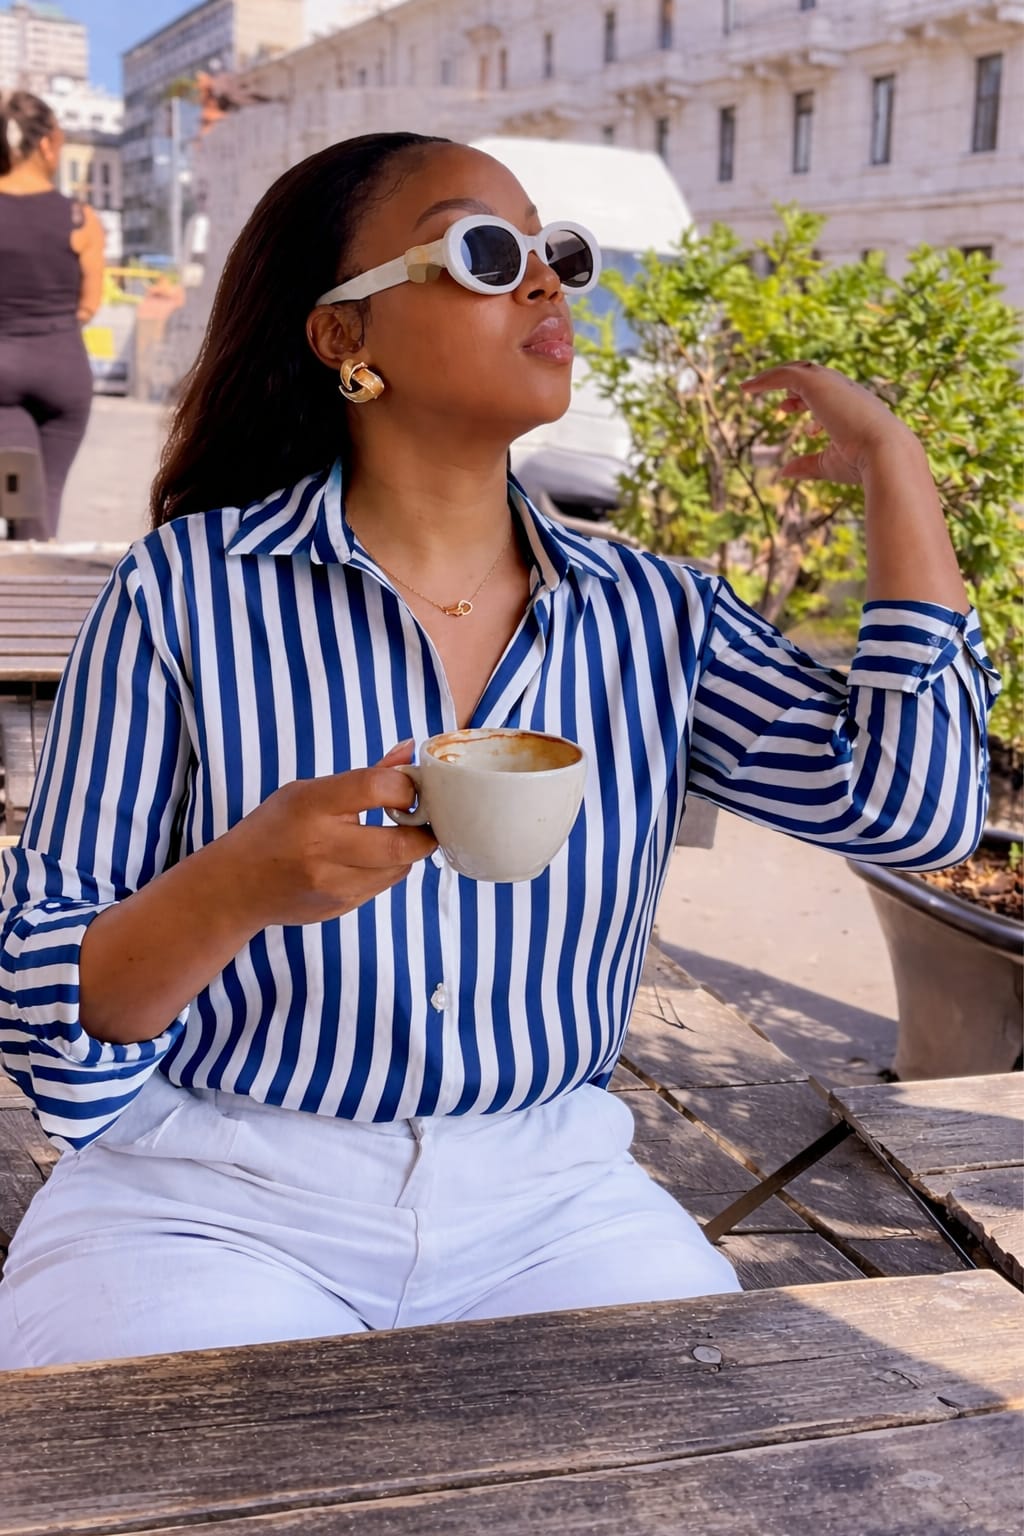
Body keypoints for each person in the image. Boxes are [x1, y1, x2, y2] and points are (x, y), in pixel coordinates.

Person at [0, 133, 999, 1368]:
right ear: (341, 337)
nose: (545, 283)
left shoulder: (657, 615)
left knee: (713, 1456)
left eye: (553, 253)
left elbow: (921, 813)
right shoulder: (182, 594)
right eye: (485, 250)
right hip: (211, 1196)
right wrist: (235, 887)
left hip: (552, 1199)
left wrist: (896, 478)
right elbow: (53, 1002)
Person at [0, 90, 104, 538]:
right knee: (45, 503)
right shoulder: (80, 218)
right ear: (45, 145)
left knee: (19, 496)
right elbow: (89, 303)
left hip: (2, 374)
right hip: (61, 368)